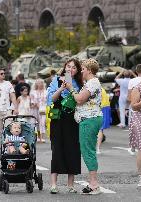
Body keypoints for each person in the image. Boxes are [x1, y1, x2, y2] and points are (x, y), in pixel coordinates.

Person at [66, 58, 103, 195]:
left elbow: (80, 99)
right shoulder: (91, 82)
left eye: (83, 69)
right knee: (89, 150)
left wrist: (71, 89)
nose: (81, 71)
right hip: (91, 118)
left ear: (89, 70)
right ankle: (92, 183)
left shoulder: (92, 83)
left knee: (88, 151)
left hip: (89, 119)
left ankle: (94, 184)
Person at [47, 58, 83, 194]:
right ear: (65, 67)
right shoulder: (56, 80)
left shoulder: (79, 82)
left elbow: (80, 100)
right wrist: (62, 88)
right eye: (68, 66)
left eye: (74, 67)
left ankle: (70, 185)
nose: (70, 69)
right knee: (57, 148)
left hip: (73, 119)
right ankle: (54, 184)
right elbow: (52, 99)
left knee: (72, 149)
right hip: (58, 118)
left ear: (77, 70)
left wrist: (71, 88)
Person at [127, 64, 141, 155]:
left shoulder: (132, 81)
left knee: (133, 127)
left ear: (136, 71)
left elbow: (129, 97)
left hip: (134, 106)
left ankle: (133, 147)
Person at [30, 79, 47, 143]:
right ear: (36, 84)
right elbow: (32, 101)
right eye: (39, 83)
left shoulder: (46, 91)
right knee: (36, 123)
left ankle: (42, 137)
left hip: (43, 109)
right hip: (35, 109)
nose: (40, 84)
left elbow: (48, 101)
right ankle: (37, 137)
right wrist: (35, 105)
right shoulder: (33, 92)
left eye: (41, 83)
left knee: (42, 122)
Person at [97, 87, 111, 154]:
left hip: (100, 108)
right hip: (105, 107)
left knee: (99, 129)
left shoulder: (92, 88)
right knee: (100, 129)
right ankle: (98, 149)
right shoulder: (101, 88)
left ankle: (97, 148)